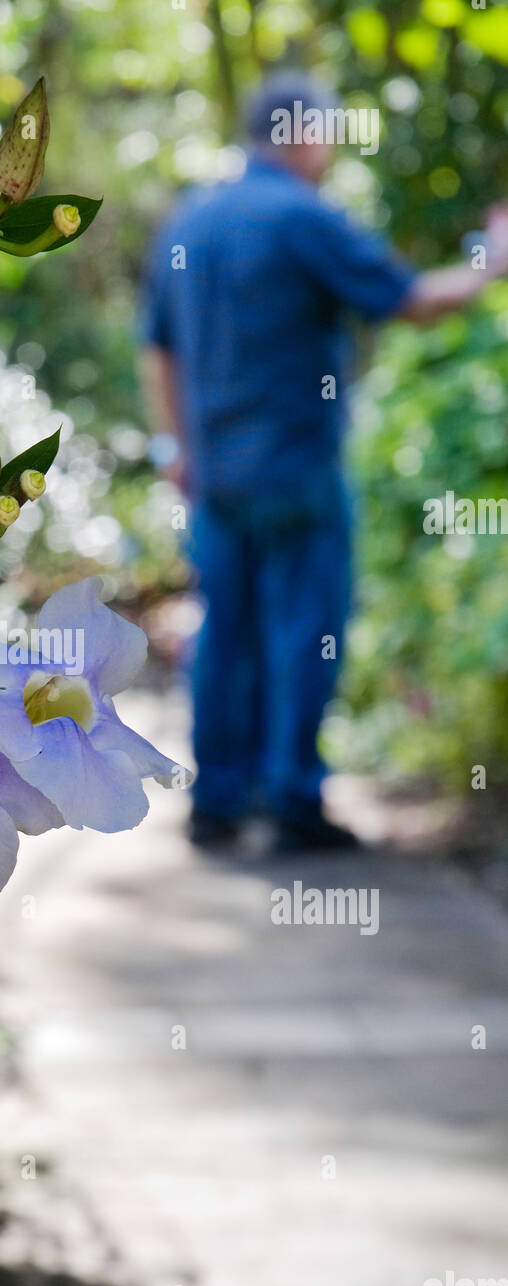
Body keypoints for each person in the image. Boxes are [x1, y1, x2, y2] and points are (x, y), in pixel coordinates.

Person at [141, 70, 508, 852]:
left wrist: (175, 446)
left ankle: (218, 802)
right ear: (306, 135)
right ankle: (292, 799)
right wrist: (491, 261)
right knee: (305, 630)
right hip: (295, 469)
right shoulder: (302, 217)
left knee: (227, 631)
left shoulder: (190, 221)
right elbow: (412, 299)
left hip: (213, 476)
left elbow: (158, 351)